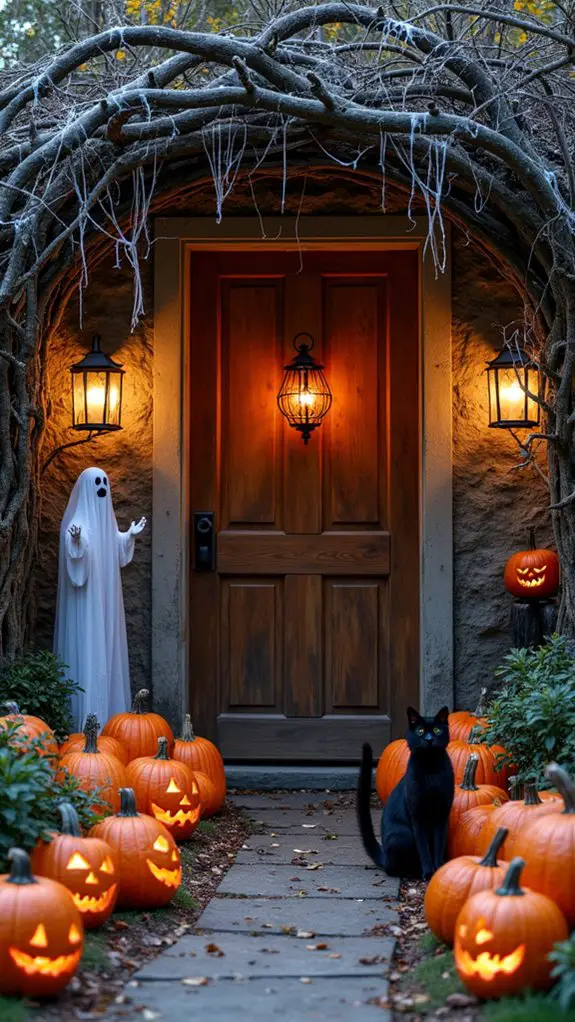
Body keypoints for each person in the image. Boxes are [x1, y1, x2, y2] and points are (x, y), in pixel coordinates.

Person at [54, 466, 146, 729]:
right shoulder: (76, 523)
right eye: (97, 483)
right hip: (87, 605)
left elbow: (115, 546)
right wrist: (77, 543)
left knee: (107, 644)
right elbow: (76, 557)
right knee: (90, 647)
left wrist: (128, 536)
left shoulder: (107, 522)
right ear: (86, 487)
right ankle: (90, 722)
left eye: (105, 482)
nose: (102, 488)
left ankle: (111, 722)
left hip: (106, 600)